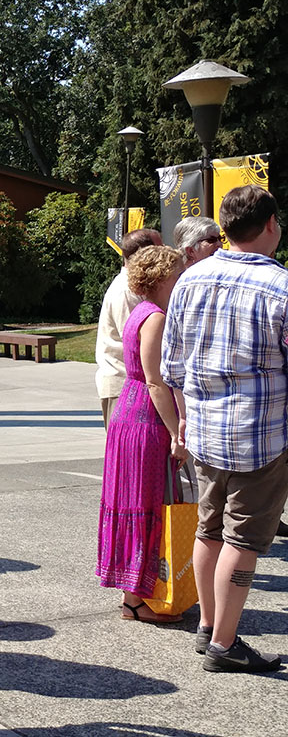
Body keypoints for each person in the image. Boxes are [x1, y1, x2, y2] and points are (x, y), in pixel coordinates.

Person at [162, 185, 288, 674]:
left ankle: (208, 627)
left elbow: (172, 363)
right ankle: (224, 643)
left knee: (209, 526)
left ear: (225, 229)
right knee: (245, 540)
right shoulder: (281, 286)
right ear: (272, 224)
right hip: (263, 435)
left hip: (204, 431)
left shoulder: (190, 280)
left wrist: (186, 421)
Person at [96, 245, 187, 624]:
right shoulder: (156, 317)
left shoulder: (141, 312)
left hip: (130, 413)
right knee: (145, 503)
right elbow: (155, 382)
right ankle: (136, 598)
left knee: (136, 502)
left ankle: (136, 592)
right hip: (144, 418)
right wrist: (175, 433)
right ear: (164, 277)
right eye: (179, 273)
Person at [95, 229, 163, 427]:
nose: (164, 253)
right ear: (144, 253)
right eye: (159, 248)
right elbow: (136, 342)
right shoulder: (127, 290)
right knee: (128, 455)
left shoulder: (135, 286)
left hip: (135, 387)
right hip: (123, 387)